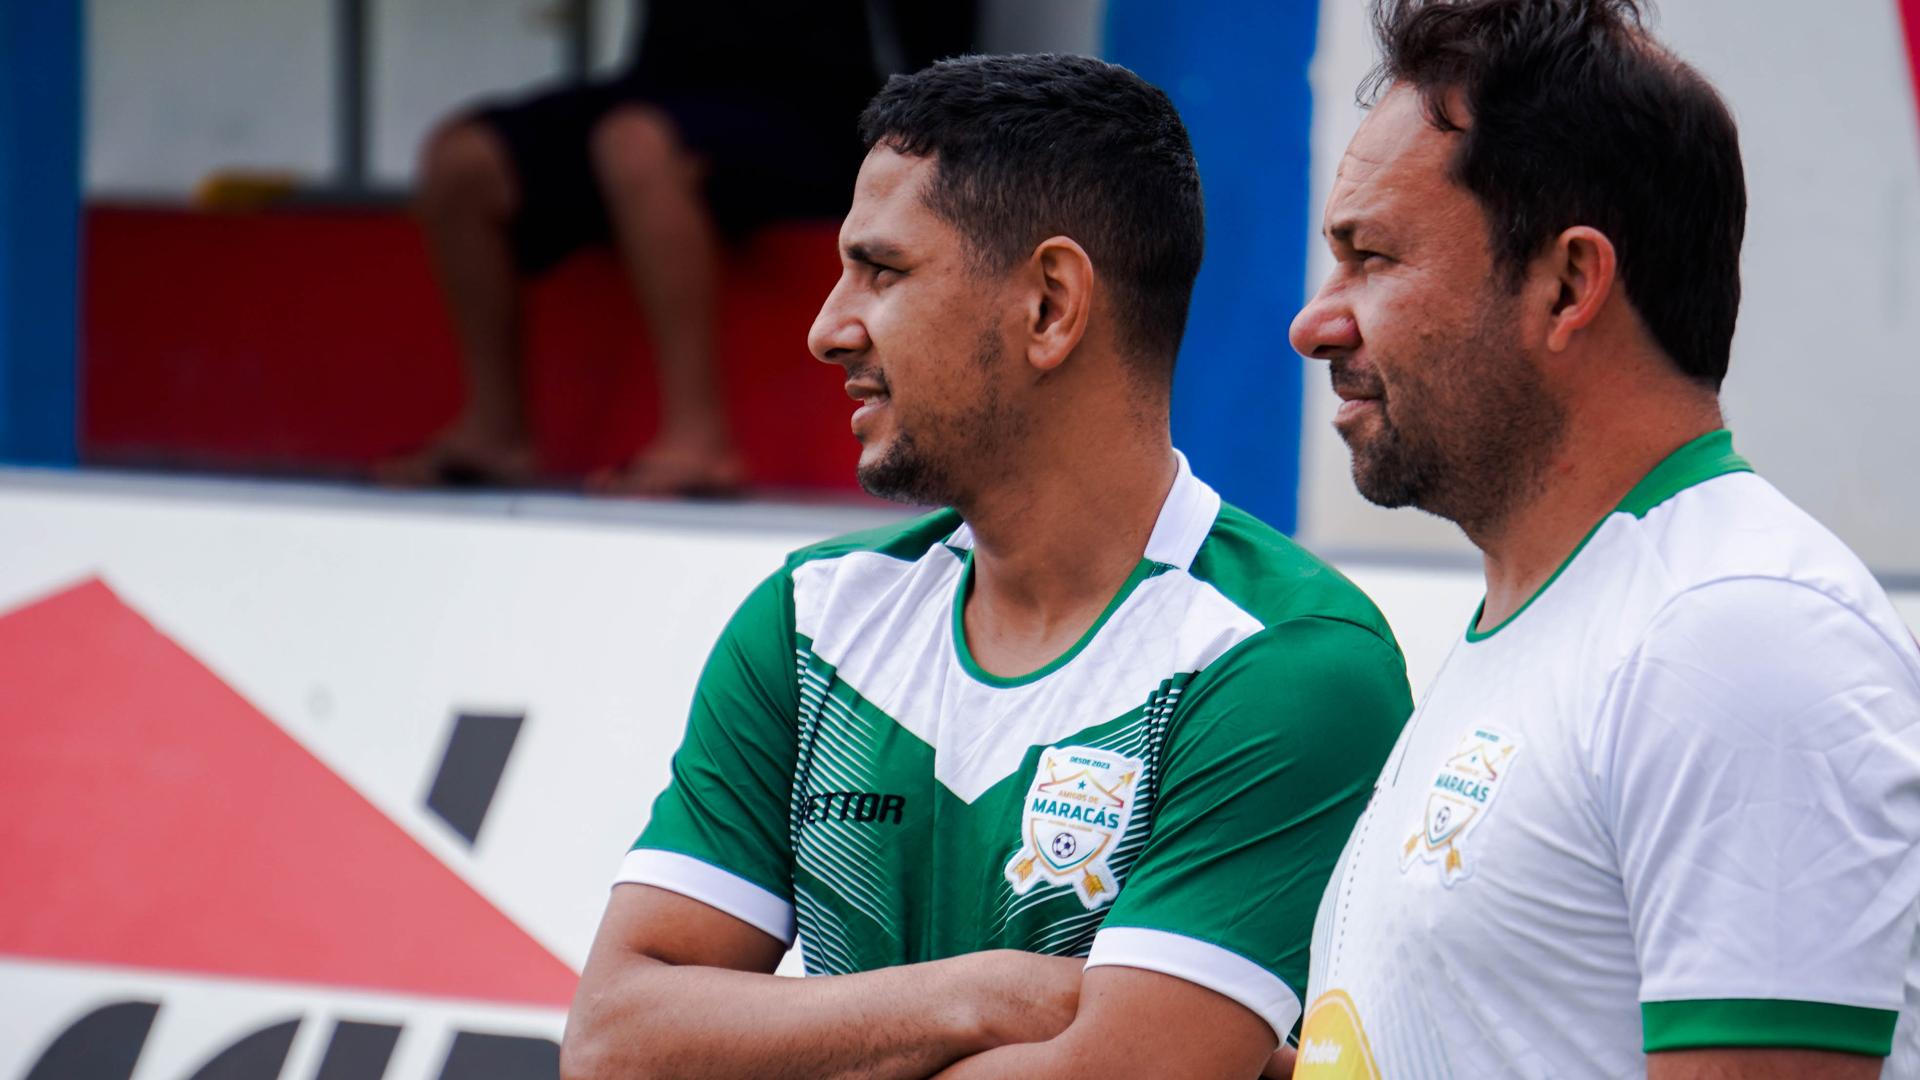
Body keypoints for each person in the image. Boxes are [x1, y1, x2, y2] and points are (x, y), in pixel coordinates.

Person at [561, 54, 1412, 1079]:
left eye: (882, 271)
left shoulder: (1285, 663)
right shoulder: (811, 618)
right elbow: (614, 1045)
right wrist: (984, 997)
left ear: (1050, 305)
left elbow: (1120, 1077)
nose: (827, 329)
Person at [1287, 1, 1920, 1076]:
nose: (1315, 323)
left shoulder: (1733, 632)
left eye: (1372, 257)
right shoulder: (1584, 615)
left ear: (1569, 283)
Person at [382, 1, 966, 494]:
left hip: (811, 100)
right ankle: (495, 432)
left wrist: (932, 145)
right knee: (464, 161)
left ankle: (699, 441)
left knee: (635, 145)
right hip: (661, 83)